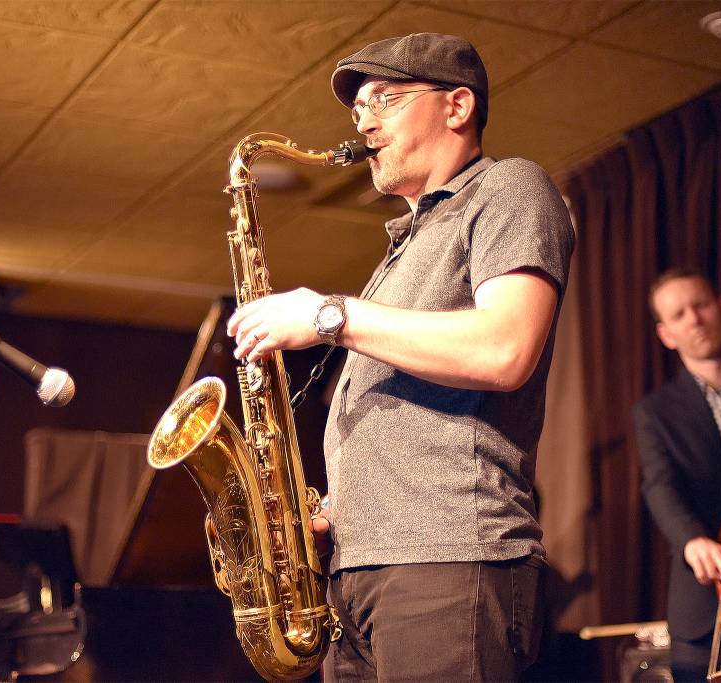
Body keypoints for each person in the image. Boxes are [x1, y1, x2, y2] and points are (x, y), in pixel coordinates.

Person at [227, 33, 575, 680]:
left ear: (457, 106)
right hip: (356, 577)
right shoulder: (401, 248)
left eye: (385, 98)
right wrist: (331, 513)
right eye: (358, 109)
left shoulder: (508, 188)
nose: (364, 121)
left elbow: (506, 347)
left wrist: (333, 315)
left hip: (448, 561)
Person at [632, 270, 721, 682]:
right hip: (707, 608)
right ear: (666, 334)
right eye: (678, 314)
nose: (693, 318)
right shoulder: (655, 412)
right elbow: (659, 483)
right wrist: (692, 540)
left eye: (701, 305)